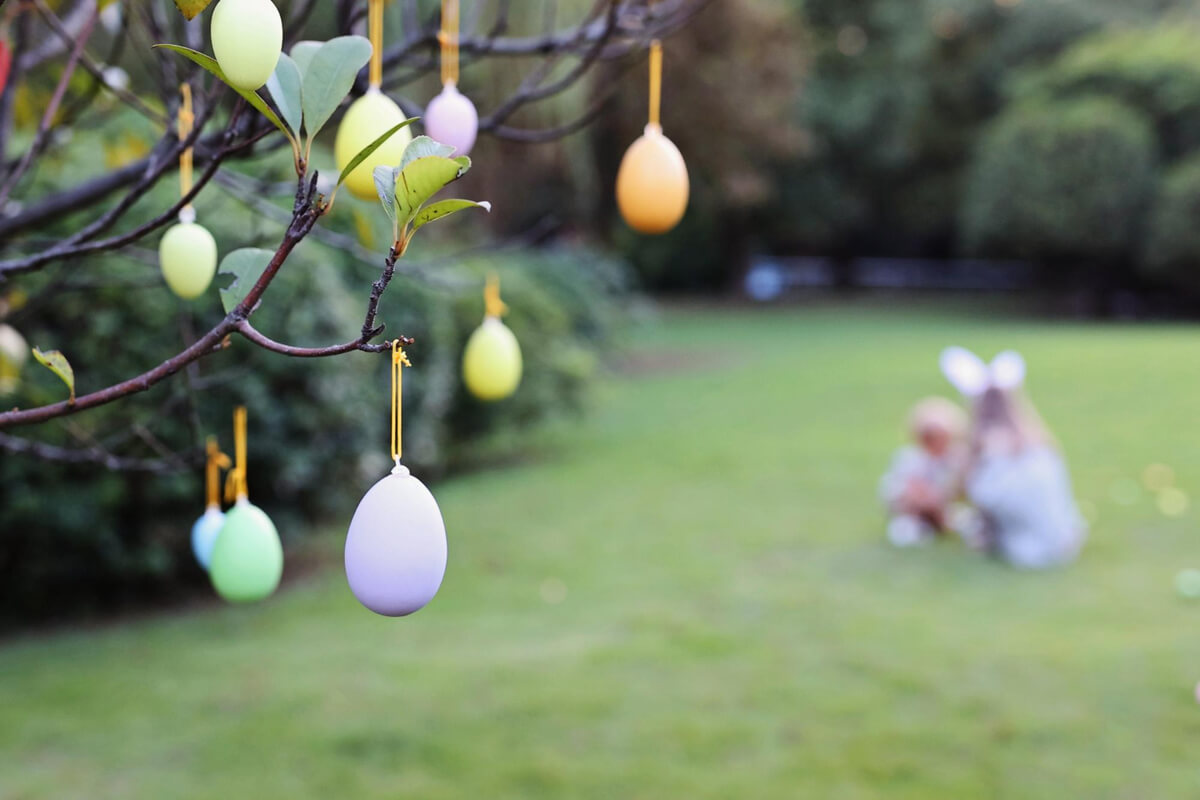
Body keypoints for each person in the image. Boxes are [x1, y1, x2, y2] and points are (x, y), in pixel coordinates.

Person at [940, 347, 1086, 569]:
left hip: (1027, 548)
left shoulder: (991, 446)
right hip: (1064, 539)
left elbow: (981, 494)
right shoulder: (1036, 439)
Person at [879, 396, 968, 547]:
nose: (936, 442)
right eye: (930, 437)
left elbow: (962, 490)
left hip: (946, 510)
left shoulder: (956, 459)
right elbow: (899, 493)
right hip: (916, 513)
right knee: (905, 531)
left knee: (965, 520)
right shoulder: (910, 460)